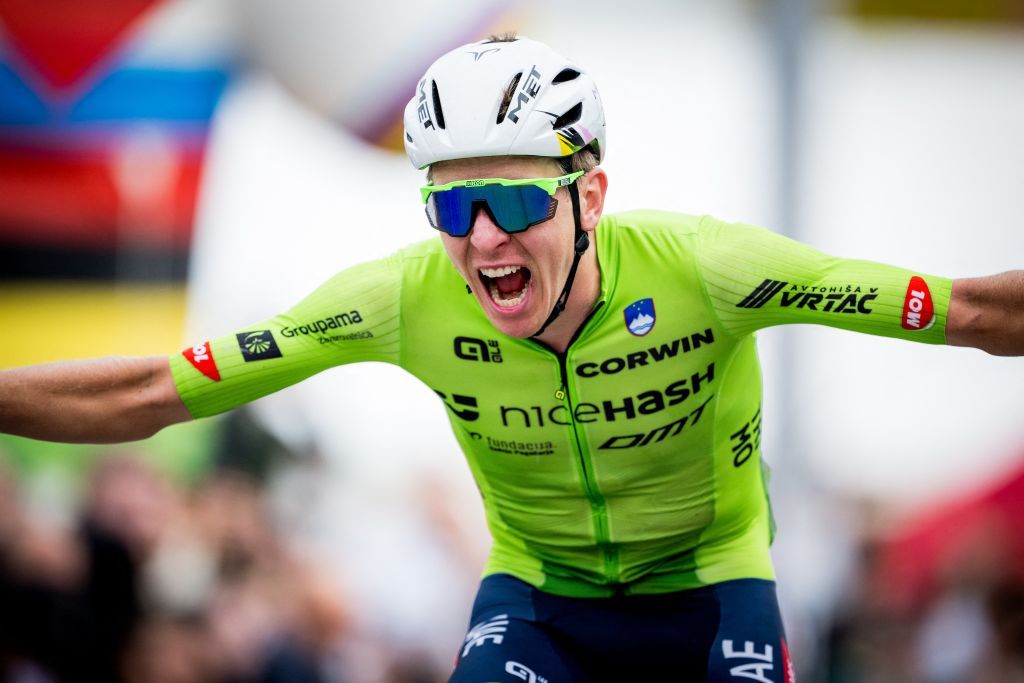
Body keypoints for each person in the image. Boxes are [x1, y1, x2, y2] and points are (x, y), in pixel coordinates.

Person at [1, 34, 1022, 682]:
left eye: (518, 200)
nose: (484, 237)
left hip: (713, 591)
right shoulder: (402, 295)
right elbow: (150, 389)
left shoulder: (709, 266)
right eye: (453, 203)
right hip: (539, 601)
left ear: (589, 196)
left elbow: (971, 308)